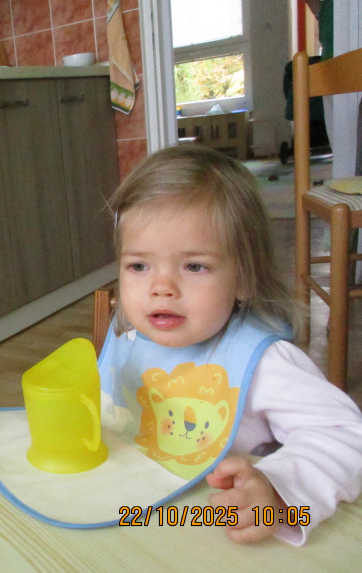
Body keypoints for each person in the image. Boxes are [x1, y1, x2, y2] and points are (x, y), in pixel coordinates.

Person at [102, 145, 362, 545]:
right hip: (130, 527)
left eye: (194, 266)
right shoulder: (127, 341)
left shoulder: (264, 363)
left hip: (217, 539)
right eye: (139, 265)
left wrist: (278, 491)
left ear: (243, 279)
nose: (161, 288)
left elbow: (345, 437)